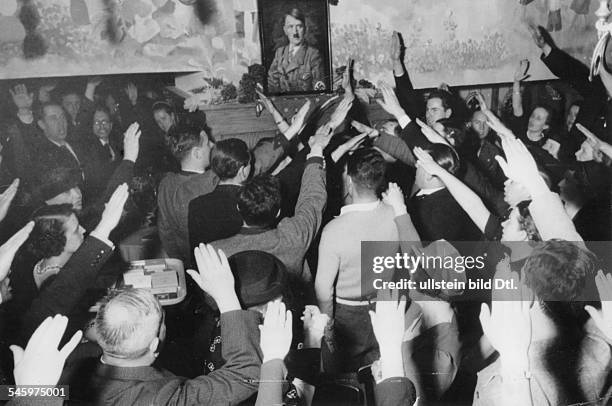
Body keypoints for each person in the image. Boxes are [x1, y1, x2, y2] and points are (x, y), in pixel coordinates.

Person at [85, 244, 261, 405]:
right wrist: (226, 295)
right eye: (162, 319)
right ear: (154, 345)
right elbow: (246, 374)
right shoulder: (161, 400)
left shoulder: (70, 374)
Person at [188, 138, 251, 248]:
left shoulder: (195, 205)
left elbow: (196, 251)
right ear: (242, 172)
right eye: (251, 163)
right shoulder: (251, 201)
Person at [267, 8, 326, 93]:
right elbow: (271, 85)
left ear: (305, 29)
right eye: (290, 27)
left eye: (299, 26)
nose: (295, 32)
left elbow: (319, 92)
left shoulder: (313, 55)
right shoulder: (279, 53)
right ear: (285, 30)